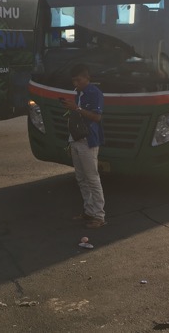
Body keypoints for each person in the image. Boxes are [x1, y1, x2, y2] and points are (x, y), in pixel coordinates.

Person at [61, 64, 106, 229]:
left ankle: (99, 216)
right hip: (76, 139)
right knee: (81, 178)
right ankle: (88, 211)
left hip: (88, 141)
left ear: (87, 78)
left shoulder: (95, 93)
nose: (75, 83)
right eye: (74, 80)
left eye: (78, 80)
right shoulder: (78, 93)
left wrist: (76, 108)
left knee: (92, 178)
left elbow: (97, 117)